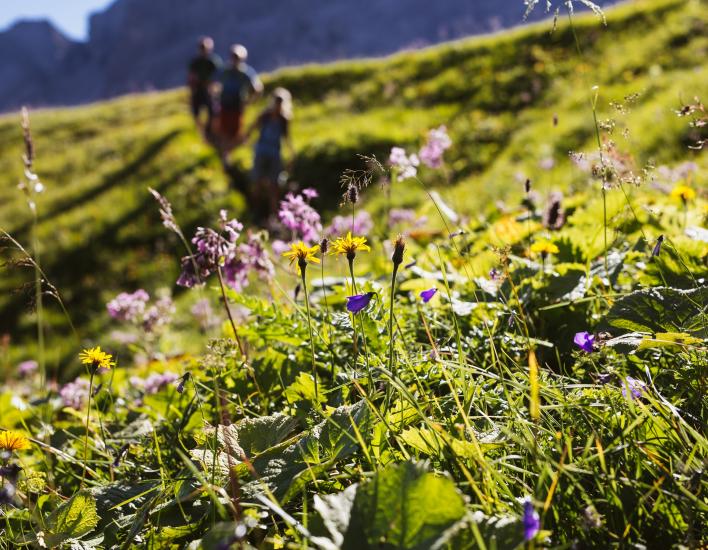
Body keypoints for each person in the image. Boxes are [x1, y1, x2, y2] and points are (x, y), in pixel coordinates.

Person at [245, 88, 294, 221]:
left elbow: (286, 137)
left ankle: (273, 216)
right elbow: (251, 129)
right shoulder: (264, 116)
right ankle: (255, 212)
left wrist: (291, 153)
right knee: (258, 183)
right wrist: (247, 141)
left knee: (274, 185)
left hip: (274, 154)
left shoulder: (284, 119)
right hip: (261, 152)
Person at [218, 44, 263, 156]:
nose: (235, 60)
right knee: (224, 130)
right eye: (234, 57)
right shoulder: (225, 71)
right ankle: (226, 155)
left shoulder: (246, 73)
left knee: (235, 130)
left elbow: (257, 88)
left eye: (237, 57)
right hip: (224, 105)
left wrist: (250, 101)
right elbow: (214, 83)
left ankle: (231, 153)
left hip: (237, 106)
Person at [187, 37, 222, 136]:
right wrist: (192, 86)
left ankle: (210, 131)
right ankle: (199, 131)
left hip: (209, 89)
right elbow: (191, 76)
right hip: (198, 89)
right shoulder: (195, 62)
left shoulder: (213, 61)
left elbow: (219, 76)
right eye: (202, 48)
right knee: (196, 111)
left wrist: (213, 86)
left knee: (213, 110)